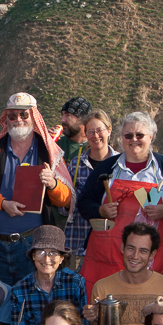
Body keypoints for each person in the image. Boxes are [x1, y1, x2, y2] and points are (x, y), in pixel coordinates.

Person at [0, 92, 74, 286]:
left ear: (33, 116)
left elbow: (65, 199)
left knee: (34, 300)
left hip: (34, 247)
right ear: (6, 119)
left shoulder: (49, 151)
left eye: (24, 114)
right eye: (12, 115)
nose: (18, 119)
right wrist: (2, 203)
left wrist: (52, 184)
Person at [76, 111, 163, 290]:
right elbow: (83, 202)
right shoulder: (108, 168)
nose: (133, 140)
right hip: (109, 260)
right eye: (128, 135)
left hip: (157, 258)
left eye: (140, 135)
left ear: (151, 137)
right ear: (121, 137)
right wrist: (101, 211)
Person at [10, 226, 87, 325]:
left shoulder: (75, 283)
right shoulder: (19, 290)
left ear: (62, 258)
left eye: (53, 253)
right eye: (40, 252)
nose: (46, 259)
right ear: (33, 256)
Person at [59, 109, 114, 268]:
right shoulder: (76, 165)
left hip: (109, 244)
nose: (95, 136)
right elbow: (64, 209)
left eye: (99, 131)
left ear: (109, 131)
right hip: (77, 244)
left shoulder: (119, 165)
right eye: (90, 132)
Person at [56, 96, 92, 166]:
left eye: (68, 115)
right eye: (62, 115)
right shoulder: (56, 144)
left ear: (82, 119)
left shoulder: (93, 148)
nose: (62, 120)